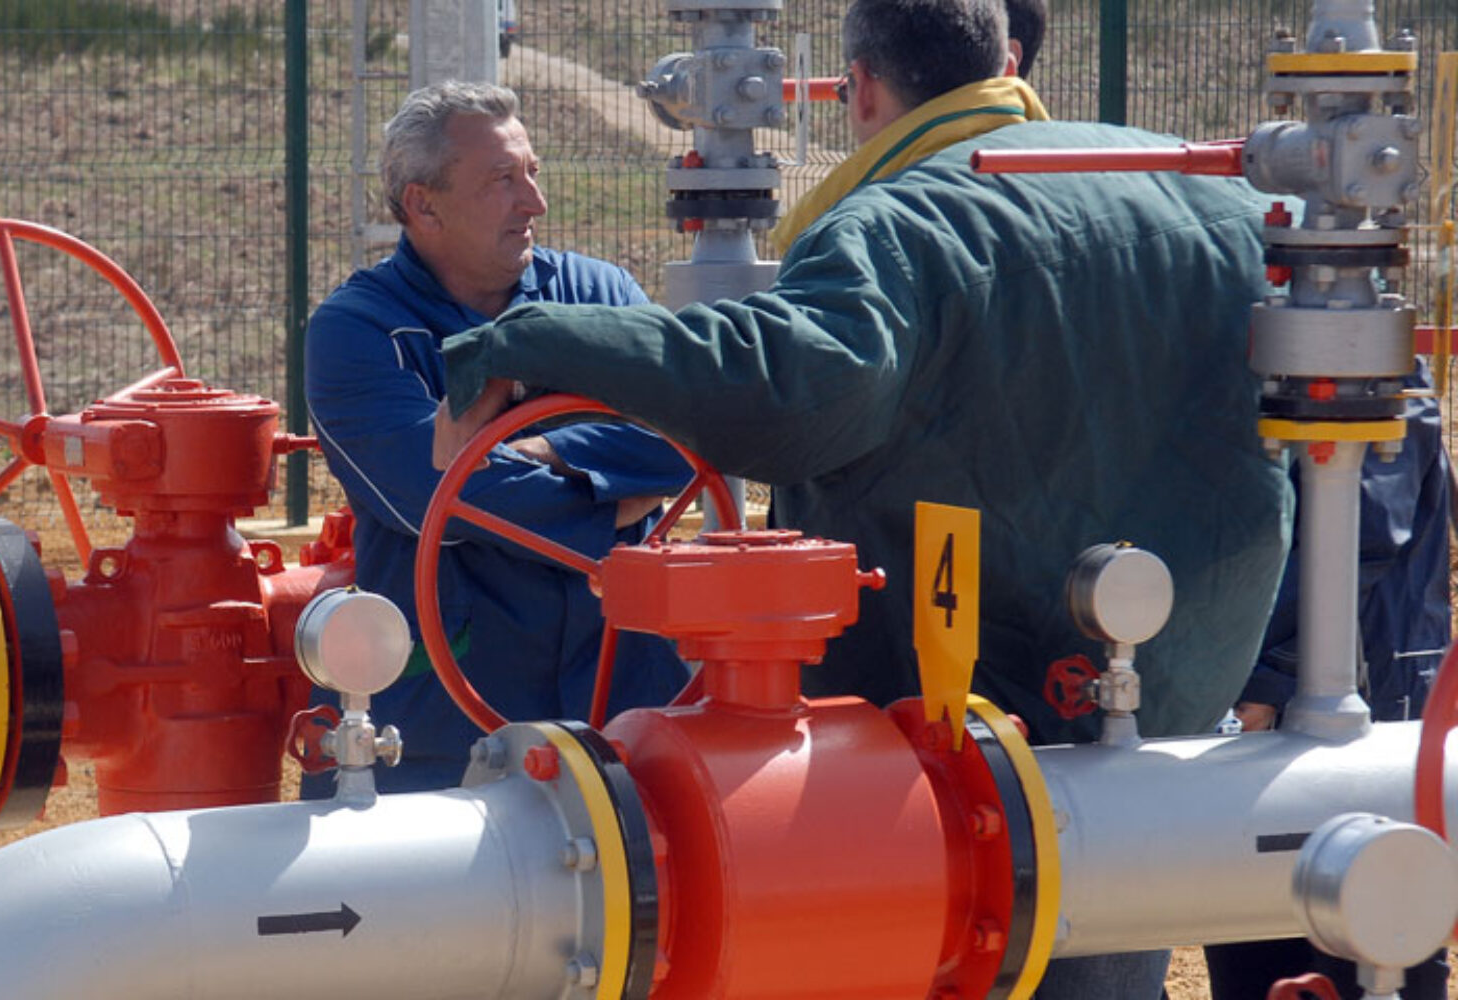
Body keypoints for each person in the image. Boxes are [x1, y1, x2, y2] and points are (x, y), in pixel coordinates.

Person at [435, 1, 1291, 994]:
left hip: (956, 746)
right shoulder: (1211, 193)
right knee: (1101, 934)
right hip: (1179, 694)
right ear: (1004, 59)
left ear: (864, 88)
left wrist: (533, 343)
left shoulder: (904, 225)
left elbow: (788, 390)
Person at [303, 81, 695, 794]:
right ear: (423, 205)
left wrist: (544, 451)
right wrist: (617, 498)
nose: (534, 203)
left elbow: (689, 431)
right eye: (502, 181)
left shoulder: (598, 294)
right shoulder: (359, 332)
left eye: (533, 173)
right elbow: (444, 497)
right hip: (449, 734)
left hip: (625, 708)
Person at [1203, 361, 1452, 997]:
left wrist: (1262, 681)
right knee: (1260, 934)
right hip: (1294, 710)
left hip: (1359, 718)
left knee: (1374, 939)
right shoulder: (1280, 349)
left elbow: (1356, 538)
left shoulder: (1365, 360)